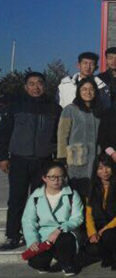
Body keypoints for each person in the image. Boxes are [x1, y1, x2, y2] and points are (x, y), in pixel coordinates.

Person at [0, 72, 62, 251]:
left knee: (39, 200)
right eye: (32, 84)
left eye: (39, 83)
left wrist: (57, 158)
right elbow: (4, 132)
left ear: (44, 86)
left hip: (43, 161)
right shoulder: (15, 106)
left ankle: (35, 233)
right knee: (16, 199)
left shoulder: (54, 108)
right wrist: (3, 157)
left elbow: (59, 135)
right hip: (19, 159)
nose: (36, 87)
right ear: (26, 87)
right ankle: (13, 235)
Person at [21, 162, 84, 275]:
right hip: (44, 236)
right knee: (36, 262)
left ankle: (68, 263)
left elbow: (77, 218)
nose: (56, 180)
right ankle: (47, 260)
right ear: (44, 178)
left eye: (60, 176)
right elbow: (28, 221)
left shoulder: (72, 194)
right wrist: (32, 240)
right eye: (52, 177)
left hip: (66, 233)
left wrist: (60, 229)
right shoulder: (36, 197)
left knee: (64, 239)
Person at [57, 77, 103, 197]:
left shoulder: (99, 110)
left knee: (94, 192)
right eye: (84, 89)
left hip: (96, 157)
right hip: (76, 158)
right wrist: (62, 157)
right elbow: (62, 135)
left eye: (91, 89)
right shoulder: (70, 109)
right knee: (76, 192)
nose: (88, 92)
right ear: (79, 91)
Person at [85, 154, 116, 271]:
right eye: (100, 168)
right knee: (92, 247)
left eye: (107, 167)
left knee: (108, 234)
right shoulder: (92, 187)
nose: (104, 171)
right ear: (96, 170)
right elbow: (88, 214)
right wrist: (92, 233)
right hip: (99, 224)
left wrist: (103, 230)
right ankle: (108, 257)